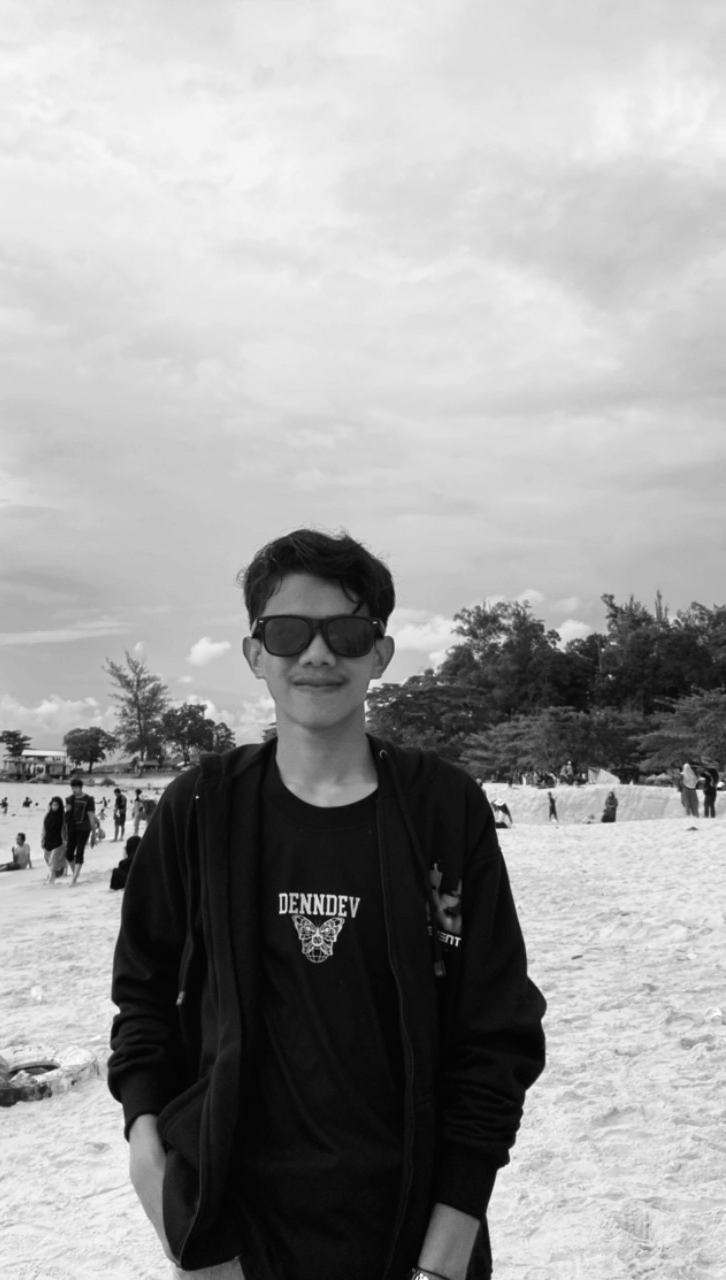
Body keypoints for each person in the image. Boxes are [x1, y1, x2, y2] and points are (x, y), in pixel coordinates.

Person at [109, 527, 546, 1280]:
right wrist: (155, 1171)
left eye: (346, 633)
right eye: (288, 633)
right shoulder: (200, 808)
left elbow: (496, 1032)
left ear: (380, 652)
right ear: (255, 654)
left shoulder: (444, 809)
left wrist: (443, 1258)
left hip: (413, 1236)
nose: (317, 655)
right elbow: (143, 995)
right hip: (231, 1238)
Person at [65, 776, 96, 885]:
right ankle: (76, 874)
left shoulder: (88, 799)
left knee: (79, 852)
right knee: (68, 854)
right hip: (72, 829)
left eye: (76, 788)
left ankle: (74, 879)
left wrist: (94, 833)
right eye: (72, 788)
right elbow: (67, 817)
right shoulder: (69, 799)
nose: (74, 790)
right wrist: (67, 811)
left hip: (84, 829)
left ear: (81, 787)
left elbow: (91, 816)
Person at [41, 796, 67, 884]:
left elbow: (65, 829)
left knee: (52, 861)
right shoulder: (47, 815)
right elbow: (44, 829)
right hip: (48, 841)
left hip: (59, 842)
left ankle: (51, 881)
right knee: (47, 858)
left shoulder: (62, 816)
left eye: (57, 805)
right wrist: (42, 840)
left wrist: (66, 841)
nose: (55, 806)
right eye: (53, 804)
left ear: (60, 806)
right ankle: (59, 870)